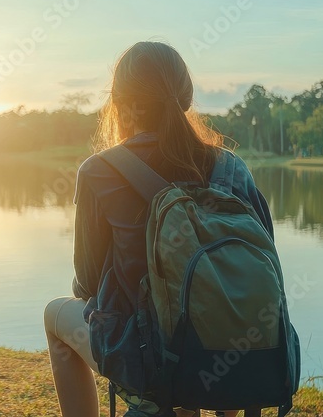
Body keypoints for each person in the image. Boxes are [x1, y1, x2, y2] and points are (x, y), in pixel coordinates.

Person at [43, 41, 276, 417]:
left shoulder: (100, 171)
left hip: (151, 357)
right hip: (239, 354)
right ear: (186, 98)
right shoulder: (233, 168)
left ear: (120, 102)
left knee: (55, 314)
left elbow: (86, 285)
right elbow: (262, 265)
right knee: (203, 324)